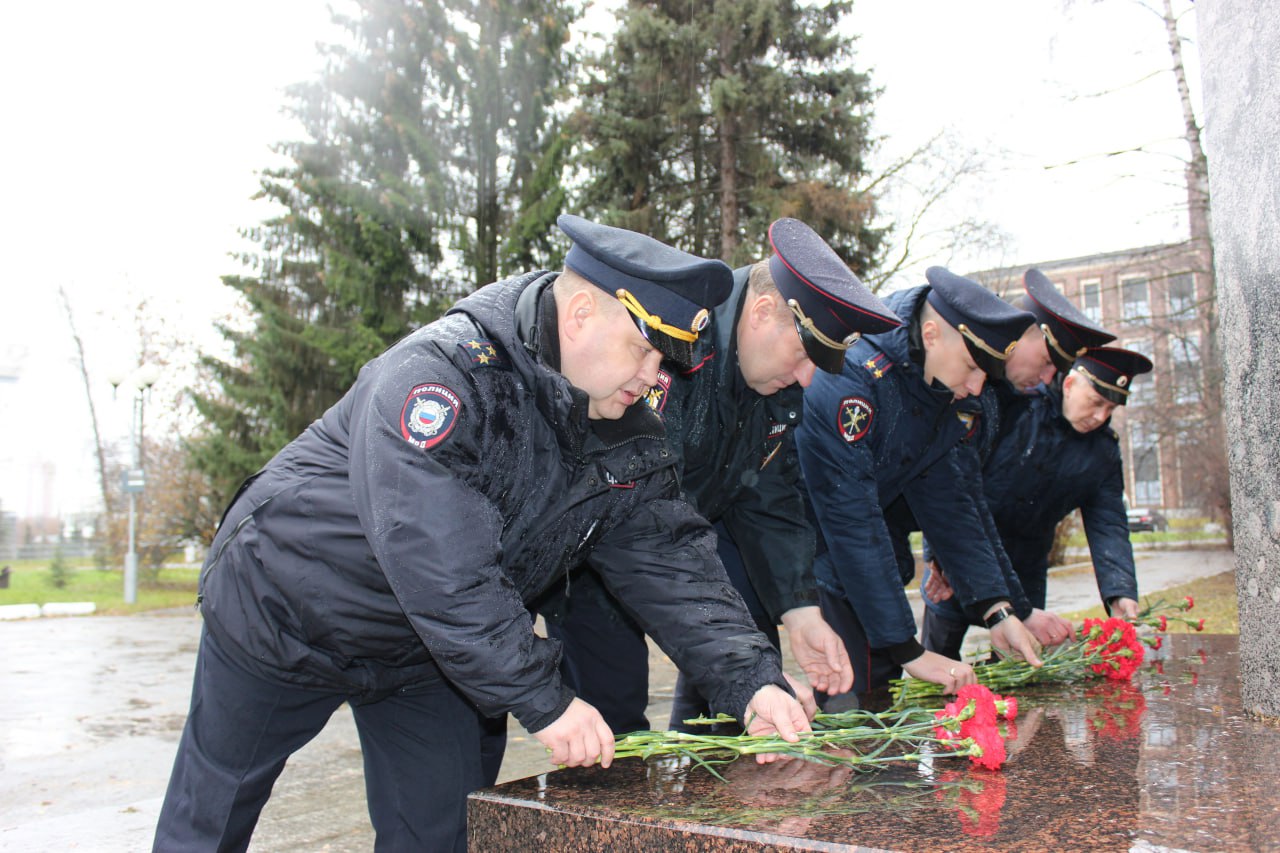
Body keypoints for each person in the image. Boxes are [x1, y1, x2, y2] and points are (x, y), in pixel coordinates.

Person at [153, 214, 812, 852]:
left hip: (421, 654)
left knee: (438, 834)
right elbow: (442, 565)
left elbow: (671, 559)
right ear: (580, 317)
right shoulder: (445, 378)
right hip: (285, 608)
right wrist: (547, 700)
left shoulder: (626, 428)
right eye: (644, 349)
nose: (655, 377)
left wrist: (752, 679)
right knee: (210, 819)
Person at [535, 218, 903, 736]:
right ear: (762, 311)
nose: (806, 378)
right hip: (597, 560)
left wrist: (799, 609)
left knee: (731, 683)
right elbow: (644, 511)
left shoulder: (772, 384)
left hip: (676, 557)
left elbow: (769, 495)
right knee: (612, 719)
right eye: (803, 353)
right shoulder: (677, 348)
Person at [794, 266, 1051, 704]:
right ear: (931, 335)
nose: (975, 387)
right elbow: (850, 514)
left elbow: (953, 502)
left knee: (873, 703)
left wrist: (998, 609)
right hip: (810, 548)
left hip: (859, 561)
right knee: (850, 708)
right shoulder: (853, 375)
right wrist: (907, 647)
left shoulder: (937, 387)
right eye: (971, 367)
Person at [921, 345, 1154, 658]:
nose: (1101, 417)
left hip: (1026, 570)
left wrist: (1120, 592)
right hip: (966, 556)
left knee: (1019, 665)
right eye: (1096, 402)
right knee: (939, 663)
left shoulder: (1103, 452)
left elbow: (1108, 522)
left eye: (1111, 409)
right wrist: (937, 555)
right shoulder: (1017, 409)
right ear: (1070, 384)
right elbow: (952, 480)